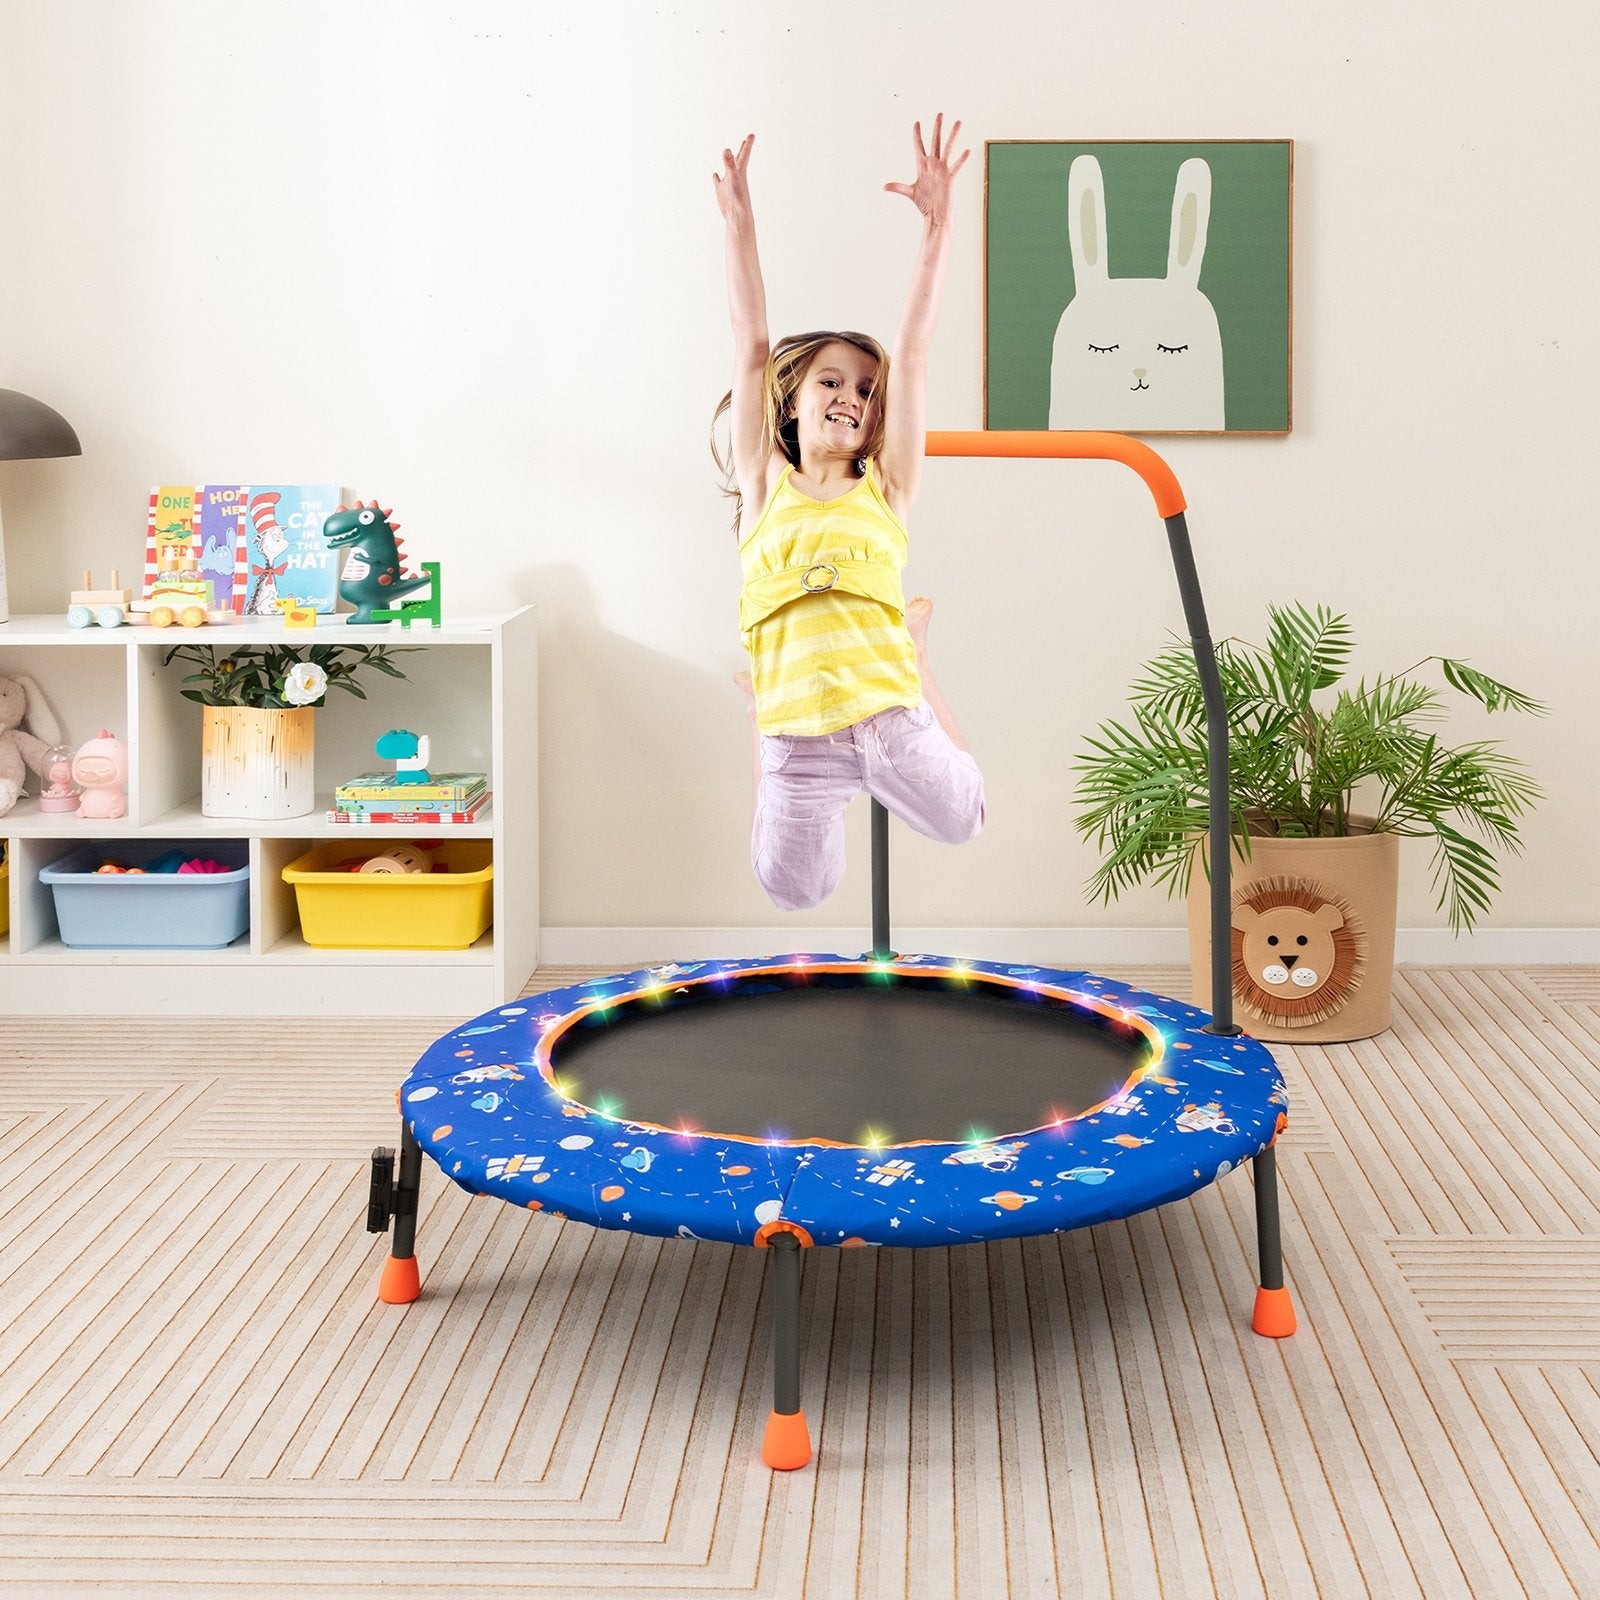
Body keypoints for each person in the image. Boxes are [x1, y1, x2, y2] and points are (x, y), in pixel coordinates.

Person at [712, 117, 985, 912]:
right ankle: (759, 706)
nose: (851, 397)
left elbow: (916, 343)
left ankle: (916, 655)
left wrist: (939, 226)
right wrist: (739, 226)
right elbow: (750, 342)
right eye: (831, 381)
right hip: (798, 734)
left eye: (866, 391)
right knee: (794, 889)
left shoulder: (888, 486)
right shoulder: (765, 485)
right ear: (789, 407)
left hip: (888, 716)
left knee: (964, 820)